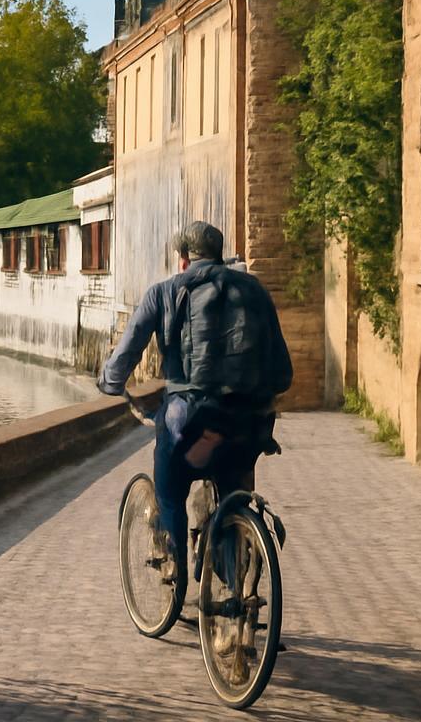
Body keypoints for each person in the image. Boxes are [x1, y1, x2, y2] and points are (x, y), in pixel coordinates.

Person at [99, 221, 291, 591]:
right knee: (235, 489)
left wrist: (110, 383)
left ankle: (174, 561)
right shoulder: (254, 291)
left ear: (183, 258)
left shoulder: (164, 292)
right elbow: (283, 372)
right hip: (250, 424)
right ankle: (240, 598)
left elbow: (126, 354)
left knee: (169, 486)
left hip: (191, 423)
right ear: (219, 255)